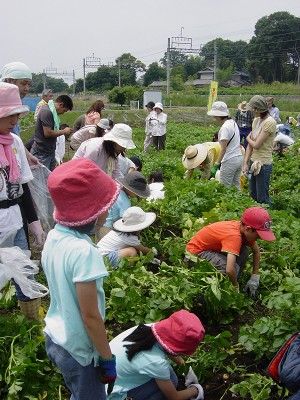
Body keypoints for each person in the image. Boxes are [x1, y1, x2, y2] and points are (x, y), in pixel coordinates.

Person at [43, 158, 121, 400]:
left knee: (78, 391)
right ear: (91, 211)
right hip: (79, 351)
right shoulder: (85, 253)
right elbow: (90, 317)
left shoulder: (54, 237)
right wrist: (107, 358)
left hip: (55, 337)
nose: (107, 211)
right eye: (104, 206)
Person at [0, 82, 45, 319]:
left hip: (15, 218)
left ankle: (31, 322)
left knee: (24, 271)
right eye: (10, 115)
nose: (15, 120)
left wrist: (33, 222)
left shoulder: (15, 143)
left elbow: (23, 186)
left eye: (16, 114)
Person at [107, 309, 205, 400]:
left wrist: (185, 367)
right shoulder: (155, 362)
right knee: (171, 382)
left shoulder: (151, 328)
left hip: (103, 373)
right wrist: (195, 390)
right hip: (108, 393)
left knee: (170, 376)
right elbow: (174, 397)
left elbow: (166, 343)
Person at [185, 207, 276, 295]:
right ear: (248, 229)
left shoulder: (242, 229)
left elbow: (256, 252)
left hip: (210, 249)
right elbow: (229, 269)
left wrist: (255, 276)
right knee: (230, 268)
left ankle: (233, 280)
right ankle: (220, 290)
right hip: (194, 255)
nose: (259, 238)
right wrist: (235, 288)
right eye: (258, 236)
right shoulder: (234, 236)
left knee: (244, 251)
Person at [243, 95, 276, 205]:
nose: (252, 112)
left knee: (262, 198)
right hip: (254, 162)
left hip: (263, 164)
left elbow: (256, 144)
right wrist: (245, 163)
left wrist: (247, 138)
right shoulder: (256, 121)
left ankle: (267, 219)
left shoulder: (269, 122)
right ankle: (255, 219)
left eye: (252, 110)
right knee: (253, 194)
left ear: (257, 109)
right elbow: (250, 146)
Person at [98, 171, 150, 240]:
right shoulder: (125, 201)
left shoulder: (117, 190)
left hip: (100, 225)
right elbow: (126, 222)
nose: (137, 195)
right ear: (131, 190)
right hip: (108, 228)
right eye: (136, 193)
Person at [30, 95, 73, 171]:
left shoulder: (52, 113)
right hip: (41, 152)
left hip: (49, 151)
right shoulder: (47, 112)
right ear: (61, 105)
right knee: (42, 178)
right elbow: (48, 133)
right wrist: (64, 131)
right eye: (64, 110)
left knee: (50, 177)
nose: (63, 113)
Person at [207, 101, 243, 190]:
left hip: (229, 160)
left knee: (224, 188)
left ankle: (226, 204)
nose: (214, 117)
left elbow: (223, 149)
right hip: (238, 158)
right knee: (236, 187)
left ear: (219, 115)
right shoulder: (233, 123)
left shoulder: (225, 128)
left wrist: (216, 164)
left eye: (215, 115)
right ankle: (238, 203)